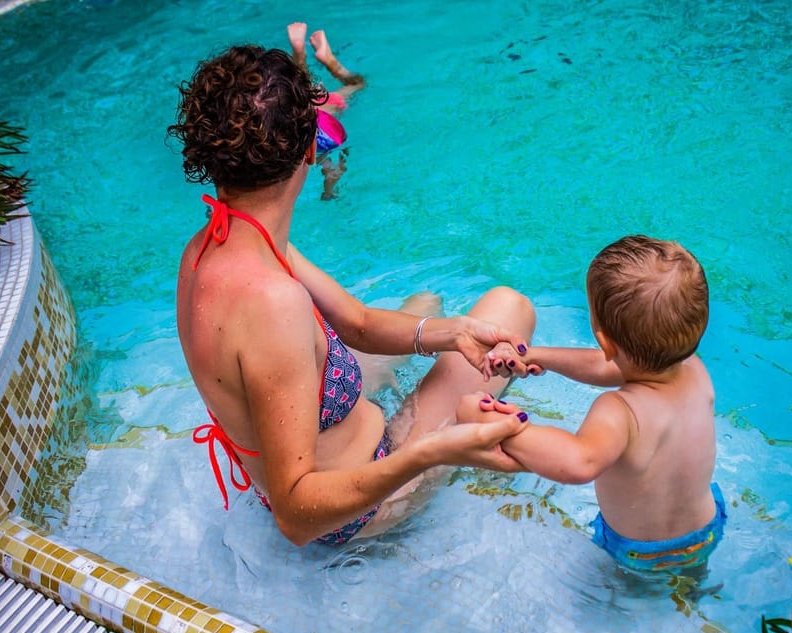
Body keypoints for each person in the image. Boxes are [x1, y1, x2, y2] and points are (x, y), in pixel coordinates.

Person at [169, 44, 535, 548]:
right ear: (311, 150)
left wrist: (454, 334)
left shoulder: (213, 243)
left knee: (427, 305)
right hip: (356, 504)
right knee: (510, 306)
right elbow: (297, 517)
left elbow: (357, 323)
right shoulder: (274, 305)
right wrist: (433, 452)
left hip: (307, 439)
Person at [458, 235, 725, 572]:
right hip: (706, 531)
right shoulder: (694, 370)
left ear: (602, 340)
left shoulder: (621, 410)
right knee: (691, 586)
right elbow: (608, 365)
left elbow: (579, 462)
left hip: (641, 554)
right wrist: (535, 355)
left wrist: (500, 426)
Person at [288, 22, 363, 200]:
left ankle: (304, 54)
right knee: (357, 83)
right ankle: (326, 59)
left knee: (302, 89)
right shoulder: (327, 103)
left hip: (322, 127)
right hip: (327, 127)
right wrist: (328, 192)